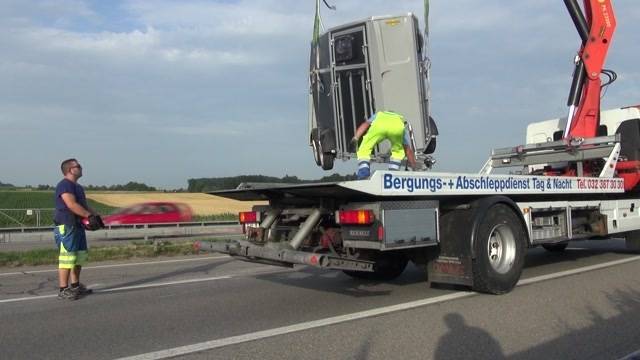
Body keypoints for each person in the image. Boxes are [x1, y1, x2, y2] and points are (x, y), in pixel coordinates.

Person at [53, 158, 103, 300]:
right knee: (67, 258)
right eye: (78, 166)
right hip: (67, 225)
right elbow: (71, 204)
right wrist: (89, 216)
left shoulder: (78, 187)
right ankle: (63, 290)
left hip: (78, 225)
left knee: (78, 258)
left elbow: (84, 205)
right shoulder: (64, 185)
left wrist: (95, 215)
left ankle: (75, 286)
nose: (81, 168)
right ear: (70, 170)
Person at [351, 110, 418, 179]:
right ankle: (393, 174)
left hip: (380, 125)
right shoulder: (399, 121)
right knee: (398, 152)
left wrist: (356, 137)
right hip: (396, 127)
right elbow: (408, 150)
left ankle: (363, 172)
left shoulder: (379, 114)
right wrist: (414, 167)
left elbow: (365, 124)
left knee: (364, 148)